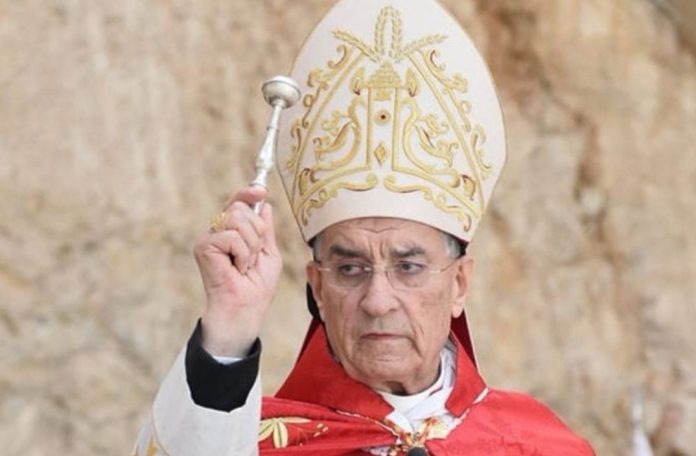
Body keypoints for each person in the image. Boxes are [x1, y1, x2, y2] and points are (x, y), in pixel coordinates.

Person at [133, 0, 595, 454]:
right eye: (350, 269)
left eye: (408, 267)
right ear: (317, 288)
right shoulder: (252, 442)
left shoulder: (538, 446)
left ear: (459, 283)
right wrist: (229, 327)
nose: (377, 301)